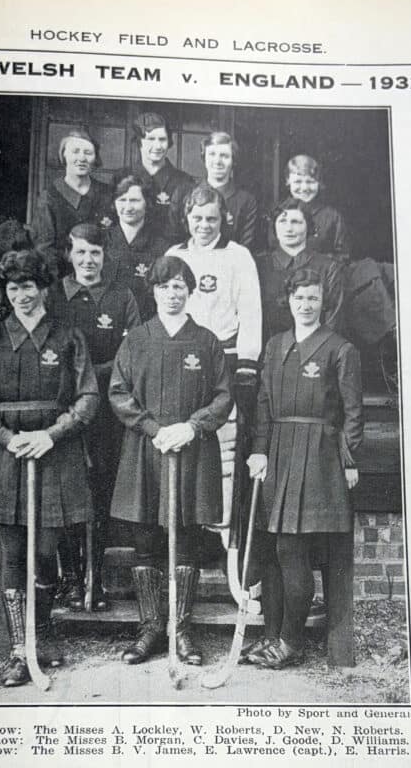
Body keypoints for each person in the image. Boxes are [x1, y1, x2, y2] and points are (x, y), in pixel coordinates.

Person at [0, 248, 99, 687]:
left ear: (43, 289)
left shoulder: (67, 336)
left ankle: (43, 634)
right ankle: (20, 650)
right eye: (13, 287)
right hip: (10, 455)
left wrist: (51, 435)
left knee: (46, 552)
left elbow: (88, 397)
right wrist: (8, 437)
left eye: (29, 287)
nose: (21, 295)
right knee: (16, 553)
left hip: (55, 453)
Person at [109, 256, 233, 666]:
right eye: (165, 287)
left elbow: (223, 395)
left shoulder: (207, 341)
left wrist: (193, 426)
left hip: (192, 452)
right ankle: (149, 628)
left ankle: (181, 629)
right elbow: (118, 391)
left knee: (187, 541)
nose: (173, 293)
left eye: (180, 285)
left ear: (190, 291)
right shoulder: (137, 339)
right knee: (145, 539)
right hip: (148, 450)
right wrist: (153, 428)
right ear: (155, 292)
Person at [244, 268, 363, 669]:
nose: (305, 305)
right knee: (274, 550)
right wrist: (259, 450)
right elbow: (262, 405)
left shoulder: (339, 349)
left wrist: (347, 460)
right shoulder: (275, 345)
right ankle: (271, 637)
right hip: (277, 453)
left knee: (293, 551)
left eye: (312, 298)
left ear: (322, 302)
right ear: (289, 301)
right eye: (299, 298)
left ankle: (290, 643)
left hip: (317, 456)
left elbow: (353, 414)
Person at [47, 223, 141, 612]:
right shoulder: (53, 297)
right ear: (69, 254)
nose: (88, 260)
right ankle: (71, 580)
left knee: (99, 492)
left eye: (96, 253)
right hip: (63, 409)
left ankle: (95, 579)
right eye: (81, 252)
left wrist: (95, 378)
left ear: (106, 256)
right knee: (69, 491)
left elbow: (131, 352)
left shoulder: (122, 298)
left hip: (107, 411)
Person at [166, 184, 262, 530]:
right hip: (182, 360)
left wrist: (247, 362)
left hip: (225, 357)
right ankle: (184, 529)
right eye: (197, 218)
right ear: (186, 218)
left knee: (223, 445)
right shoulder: (174, 254)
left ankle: (221, 531)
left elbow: (250, 311)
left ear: (223, 219)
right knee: (184, 434)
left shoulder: (238, 255)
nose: (204, 225)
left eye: (211, 218)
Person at [255, 198, 346, 342]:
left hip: (315, 351)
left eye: (296, 222)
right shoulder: (259, 265)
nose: (289, 228)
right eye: (282, 222)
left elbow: (333, 320)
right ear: (274, 227)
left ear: (309, 227)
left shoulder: (329, 267)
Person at [29, 126, 113, 274]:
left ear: (95, 158)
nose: (81, 158)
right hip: (63, 277)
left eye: (88, 153)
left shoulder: (107, 194)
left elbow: (115, 241)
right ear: (64, 155)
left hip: (102, 275)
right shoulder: (50, 197)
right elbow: (44, 249)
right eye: (75, 152)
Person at [104, 174, 174, 321]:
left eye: (135, 200)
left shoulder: (162, 247)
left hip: (146, 323)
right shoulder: (101, 241)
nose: (128, 207)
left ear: (147, 203)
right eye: (122, 200)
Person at [173, 131, 258, 250]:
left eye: (224, 156)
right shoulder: (183, 193)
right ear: (204, 157)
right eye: (212, 154)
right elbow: (175, 239)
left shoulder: (246, 201)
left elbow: (246, 247)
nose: (217, 161)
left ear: (233, 160)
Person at [115, 112, 195, 237]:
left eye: (162, 139)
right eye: (151, 139)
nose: (157, 146)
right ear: (139, 141)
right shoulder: (121, 177)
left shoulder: (184, 181)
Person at [280, 154, 350, 261]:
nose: (304, 188)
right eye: (298, 182)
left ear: (319, 183)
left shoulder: (332, 216)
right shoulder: (277, 214)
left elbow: (343, 255)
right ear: (288, 181)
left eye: (310, 182)